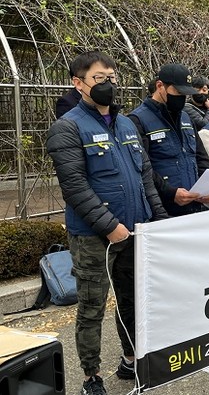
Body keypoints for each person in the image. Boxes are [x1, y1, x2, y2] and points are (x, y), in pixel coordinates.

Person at [46, 51, 168, 395]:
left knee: (132, 298)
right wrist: (108, 225)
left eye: (112, 77)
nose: (109, 84)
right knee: (91, 305)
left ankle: (131, 359)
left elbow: (145, 176)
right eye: (100, 78)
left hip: (135, 229)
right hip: (94, 236)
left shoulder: (126, 123)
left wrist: (158, 217)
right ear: (78, 83)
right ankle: (91, 375)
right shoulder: (67, 127)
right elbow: (74, 186)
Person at [128, 64, 209, 216]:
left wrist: (207, 187)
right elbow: (142, 167)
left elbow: (200, 156)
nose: (181, 97)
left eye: (185, 94)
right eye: (178, 92)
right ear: (160, 86)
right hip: (164, 210)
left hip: (195, 206)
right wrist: (170, 192)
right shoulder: (138, 120)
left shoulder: (185, 117)